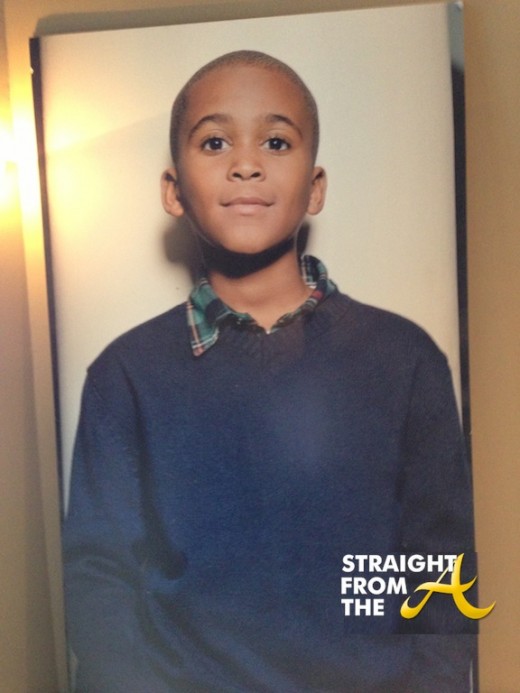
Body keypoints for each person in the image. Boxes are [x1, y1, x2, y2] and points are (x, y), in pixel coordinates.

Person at [63, 50, 476, 692]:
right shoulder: (126, 375)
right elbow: (99, 579)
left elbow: (440, 565)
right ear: (174, 191)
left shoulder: (405, 358)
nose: (246, 163)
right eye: (216, 141)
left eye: (276, 142)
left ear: (315, 188)